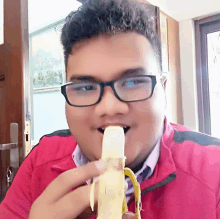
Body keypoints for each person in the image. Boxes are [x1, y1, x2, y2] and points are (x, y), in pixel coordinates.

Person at [1, 0, 220, 218]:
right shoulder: (40, 161)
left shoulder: (214, 171)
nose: (109, 108)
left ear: (162, 90)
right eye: (86, 87)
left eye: (133, 82)